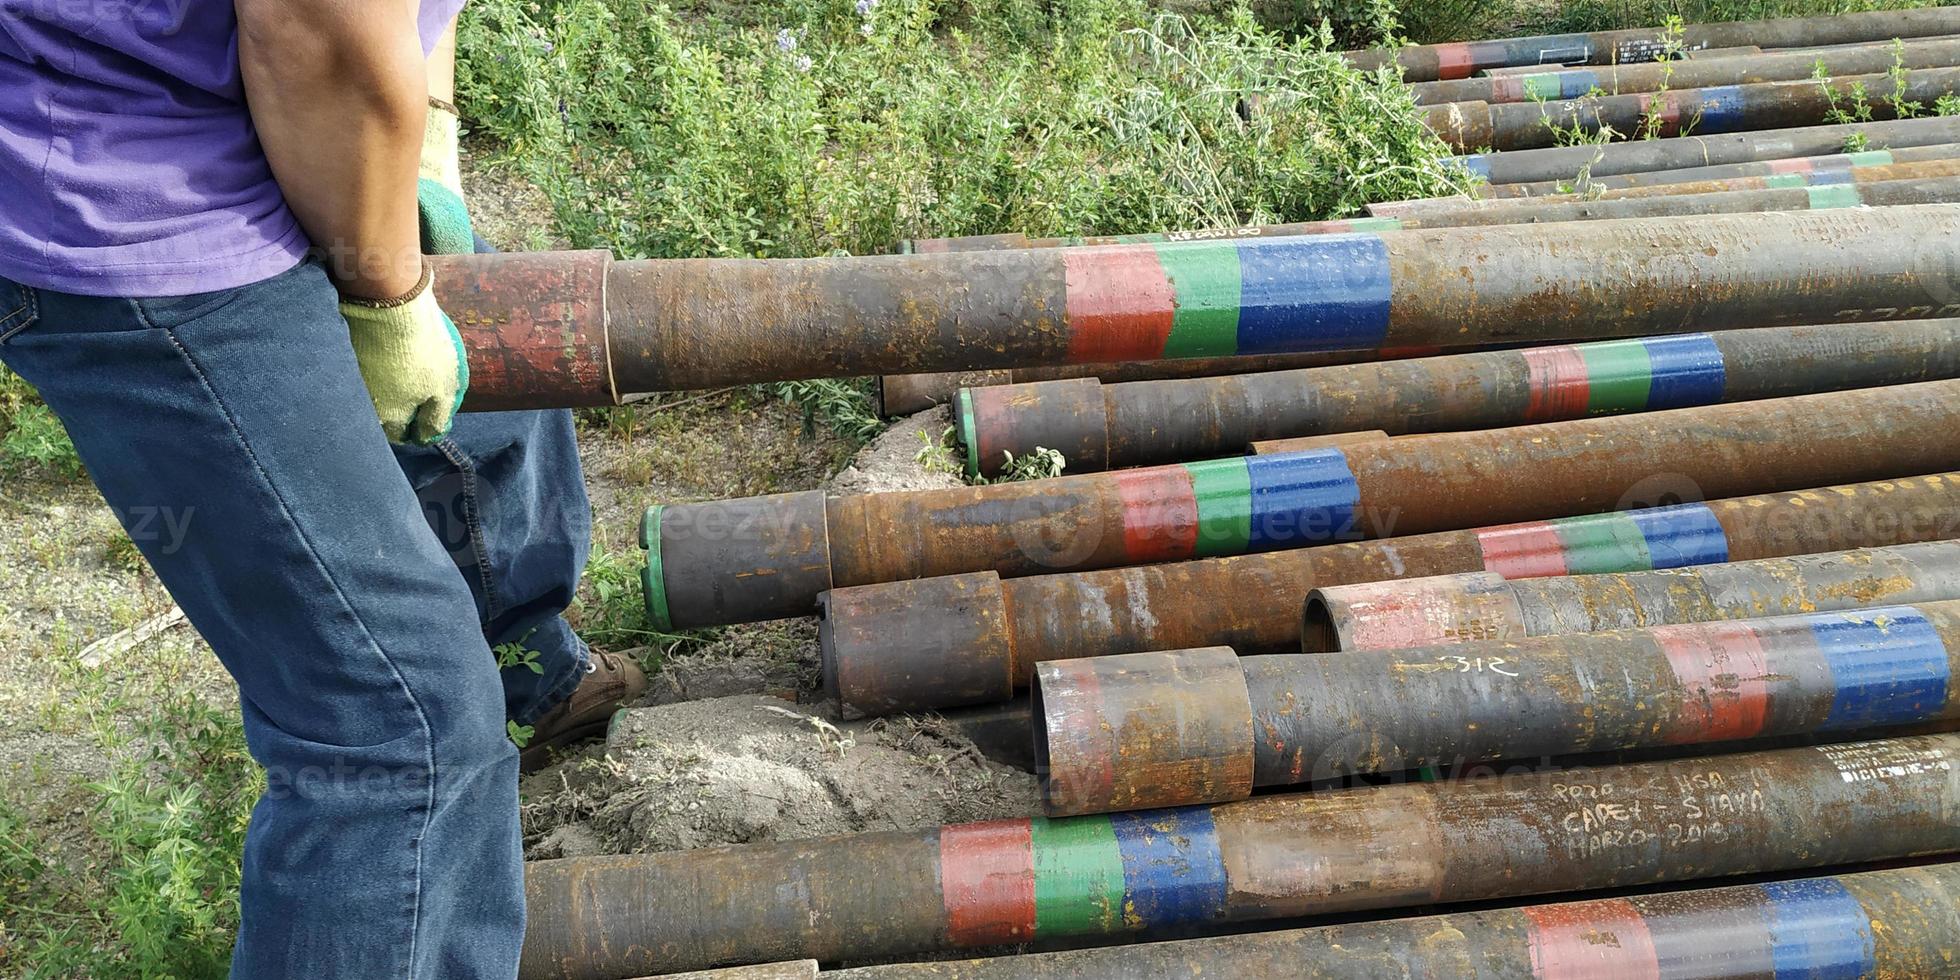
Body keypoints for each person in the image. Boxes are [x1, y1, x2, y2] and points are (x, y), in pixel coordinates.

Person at [0, 1, 646, 974]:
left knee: (488, 395)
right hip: (135, 189)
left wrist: (423, 162)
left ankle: (528, 660)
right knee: (396, 723)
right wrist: (384, 295)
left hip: (248, 121)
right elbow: (314, 28)